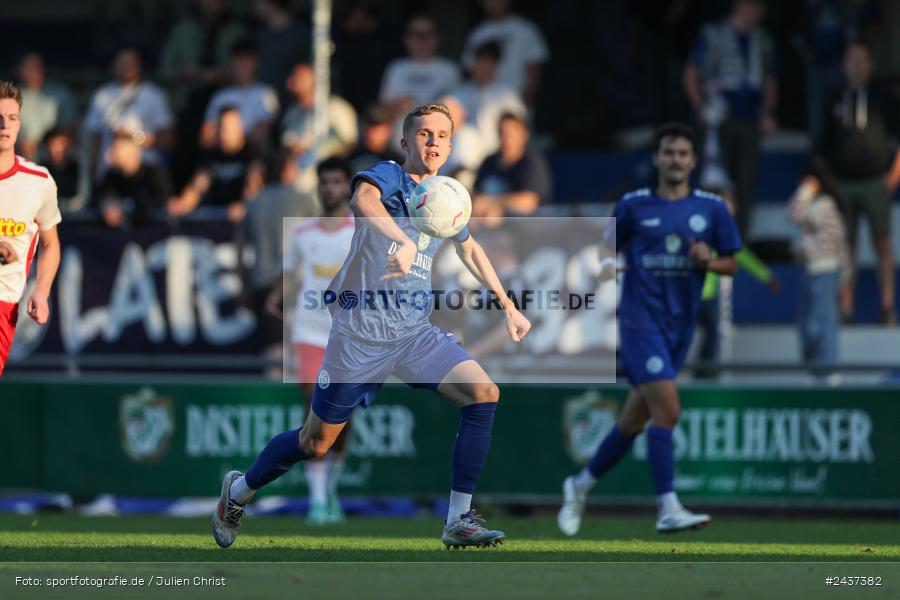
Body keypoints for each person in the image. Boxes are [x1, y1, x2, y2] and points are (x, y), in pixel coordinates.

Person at [213, 103, 531, 549]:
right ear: (405, 143)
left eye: (442, 134)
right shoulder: (386, 175)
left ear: (452, 145)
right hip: (359, 335)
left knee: (484, 393)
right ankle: (239, 491)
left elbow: (470, 248)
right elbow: (362, 202)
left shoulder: (445, 195)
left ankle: (458, 519)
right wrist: (400, 239)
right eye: (423, 134)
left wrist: (508, 306)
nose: (433, 141)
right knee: (316, 443)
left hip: (412, 333)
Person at [557, 123, 741, 535]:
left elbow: (732, 262)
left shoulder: (711, 209)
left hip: (680, 325)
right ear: (656, 158)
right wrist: (607, 268)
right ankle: (667, 506)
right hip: (641, 322)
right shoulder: (634, 204)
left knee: (633, 422)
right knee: (669, 410)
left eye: (682, 153)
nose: (675, 160)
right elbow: (607, 250)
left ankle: (579, 484)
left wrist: (707, 261)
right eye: (668, 152)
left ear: (692, 161)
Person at [264, 157, 355, 525]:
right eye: (325, 181)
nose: (330, 188)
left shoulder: (360, 232)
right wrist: (276, 296)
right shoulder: (302, 233)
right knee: (314, 411)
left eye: (336, 181)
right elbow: (291, 274)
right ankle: (317, 500)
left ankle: (331, 491)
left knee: (343, 418)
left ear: (347, 186)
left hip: (349, 337)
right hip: (310, 333)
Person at [816, 41, 899, 325]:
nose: (857, 65)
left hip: (877, 182)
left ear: (871, 64)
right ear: (844, 64)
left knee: (882, 244)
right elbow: (822, 146)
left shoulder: (884, 97)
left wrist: (893, 177)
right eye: (852, 59)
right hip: (842, 185)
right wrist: (828, 184)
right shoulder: (832, 97)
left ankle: (888, 306)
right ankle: (846, 308)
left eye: (863, 60)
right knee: (845, 246)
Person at [683, 0, 778, 238]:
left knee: (745, 182)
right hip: (718, 119)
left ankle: (738, 240)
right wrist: (700, 107)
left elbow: (770, 80)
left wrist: (767, 112)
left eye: (758, 7)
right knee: (714, 179)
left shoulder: (763, 40)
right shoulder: (712, 33)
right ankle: (706, 236)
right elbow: (691, 72)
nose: (755, 11)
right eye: (750, 5)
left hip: (749, 119)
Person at [0, 82, 62, 377]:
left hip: (5, 303)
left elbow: (50, 243)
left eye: (12, 118)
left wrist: (41, 291)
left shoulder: (38, 181)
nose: (4, 125)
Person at [239, 149, 317, 376]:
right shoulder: (303, 199)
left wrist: (245, 287)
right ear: (286, 170)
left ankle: (276, 405)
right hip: (298, 286)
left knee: (273, 358)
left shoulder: (254, 204)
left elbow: (240, 249)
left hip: (263, 286)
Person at [788, 171, 849, 381]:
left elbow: (799, 215)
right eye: (803, 183)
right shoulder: (810, 203)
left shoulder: (825, 205)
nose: (805, 187)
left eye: (810, 183)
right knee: (806, 322)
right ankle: (816, 368)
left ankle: (828, 371)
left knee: (824, 321)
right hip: (808, 270)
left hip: (825, 270)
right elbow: (792, 214)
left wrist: (805, 193)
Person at [84, 47, 175, 181]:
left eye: (130, 62)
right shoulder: (101, 95)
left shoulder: (154, 95)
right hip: (109, 172)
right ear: (113, 66)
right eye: (121, 63)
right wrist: (94, 173)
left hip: (146, 170)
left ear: (140, 65)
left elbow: (169, 140)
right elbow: (94, 139)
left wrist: (134, 137)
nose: (126, 67)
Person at [170, 106, 265, 223]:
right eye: (220, 127)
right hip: (217, 220)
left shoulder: (253, 154)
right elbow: (198, 185)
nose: (224, 133)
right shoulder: (211, 156)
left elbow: (254, 185)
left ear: (240, 127)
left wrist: (244, 206)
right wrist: (182, 205)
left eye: (228, 128)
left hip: (245, 221)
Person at [280, 63, 358, 192]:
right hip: (294, 190)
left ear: (313, 79)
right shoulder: (291, 115)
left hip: (327, 191)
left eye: (298, 77)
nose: (291, 82)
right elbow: (282, 151)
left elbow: (349, 144)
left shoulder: (337, 108)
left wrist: (312, 152)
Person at [461, 0, 549, 105]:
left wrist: (522, 105)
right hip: (482, 106)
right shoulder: (478, 34)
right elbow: (470, 71)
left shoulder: (526, 30)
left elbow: (534, 72)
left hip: (516, 103)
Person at [451, 41, 526, 160]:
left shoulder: (507, 94)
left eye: (487, 62)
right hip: (463, 155)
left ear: (494, 65)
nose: (482, 66)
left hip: (494, 157)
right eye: (479, 61)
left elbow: (517, 129)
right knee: (464, 136)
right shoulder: (460, 92)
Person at [200, 39, 280, 151]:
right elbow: (206, 137)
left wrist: (233, 138)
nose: (242, 67)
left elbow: (263, 132)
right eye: (238, 61)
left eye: (247, 61)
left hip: (253, 155)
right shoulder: (220, 96)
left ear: (256, 63)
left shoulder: (266, 93)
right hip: (223, 156)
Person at [472, 112, 551, 222]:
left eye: (511, 134)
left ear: (524, 135)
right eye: (502, 133)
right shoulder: (489, 161)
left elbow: (529, 202)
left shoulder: (532, 163)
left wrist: (495, 205)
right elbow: (476, 194)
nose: (506, 139)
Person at [379, 13, 460, 119]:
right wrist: (398, 106)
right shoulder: (396, 68)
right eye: (415, 34)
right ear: (406, 38)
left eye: (428, 34)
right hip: (403, 130)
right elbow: (382, 109)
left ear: (437, 38)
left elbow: (459, 109)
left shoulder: (449, 69)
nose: (421, 40)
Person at [95, 133, 173, 228]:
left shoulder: (154, 173)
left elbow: (163, 203)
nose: (109, 154)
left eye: (116, 149)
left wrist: (133, 210)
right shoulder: (111, 176)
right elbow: (102, 196)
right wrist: (108, 206)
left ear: (130, 153)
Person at [15, 52, 77, 161]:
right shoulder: (11, 96)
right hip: (18, 154)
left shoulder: (60, 94)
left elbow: (70, 128)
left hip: (54, 156)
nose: (33, 71)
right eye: (28, 67)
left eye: (36, 66)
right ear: (19, 70)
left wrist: (58, 141)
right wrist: (16, 145)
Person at [346, 104, 403, 174]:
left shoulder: (398, 164)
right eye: (367, 126)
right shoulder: (349, 158)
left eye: (376, 128)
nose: (370, 132)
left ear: (388, 130)